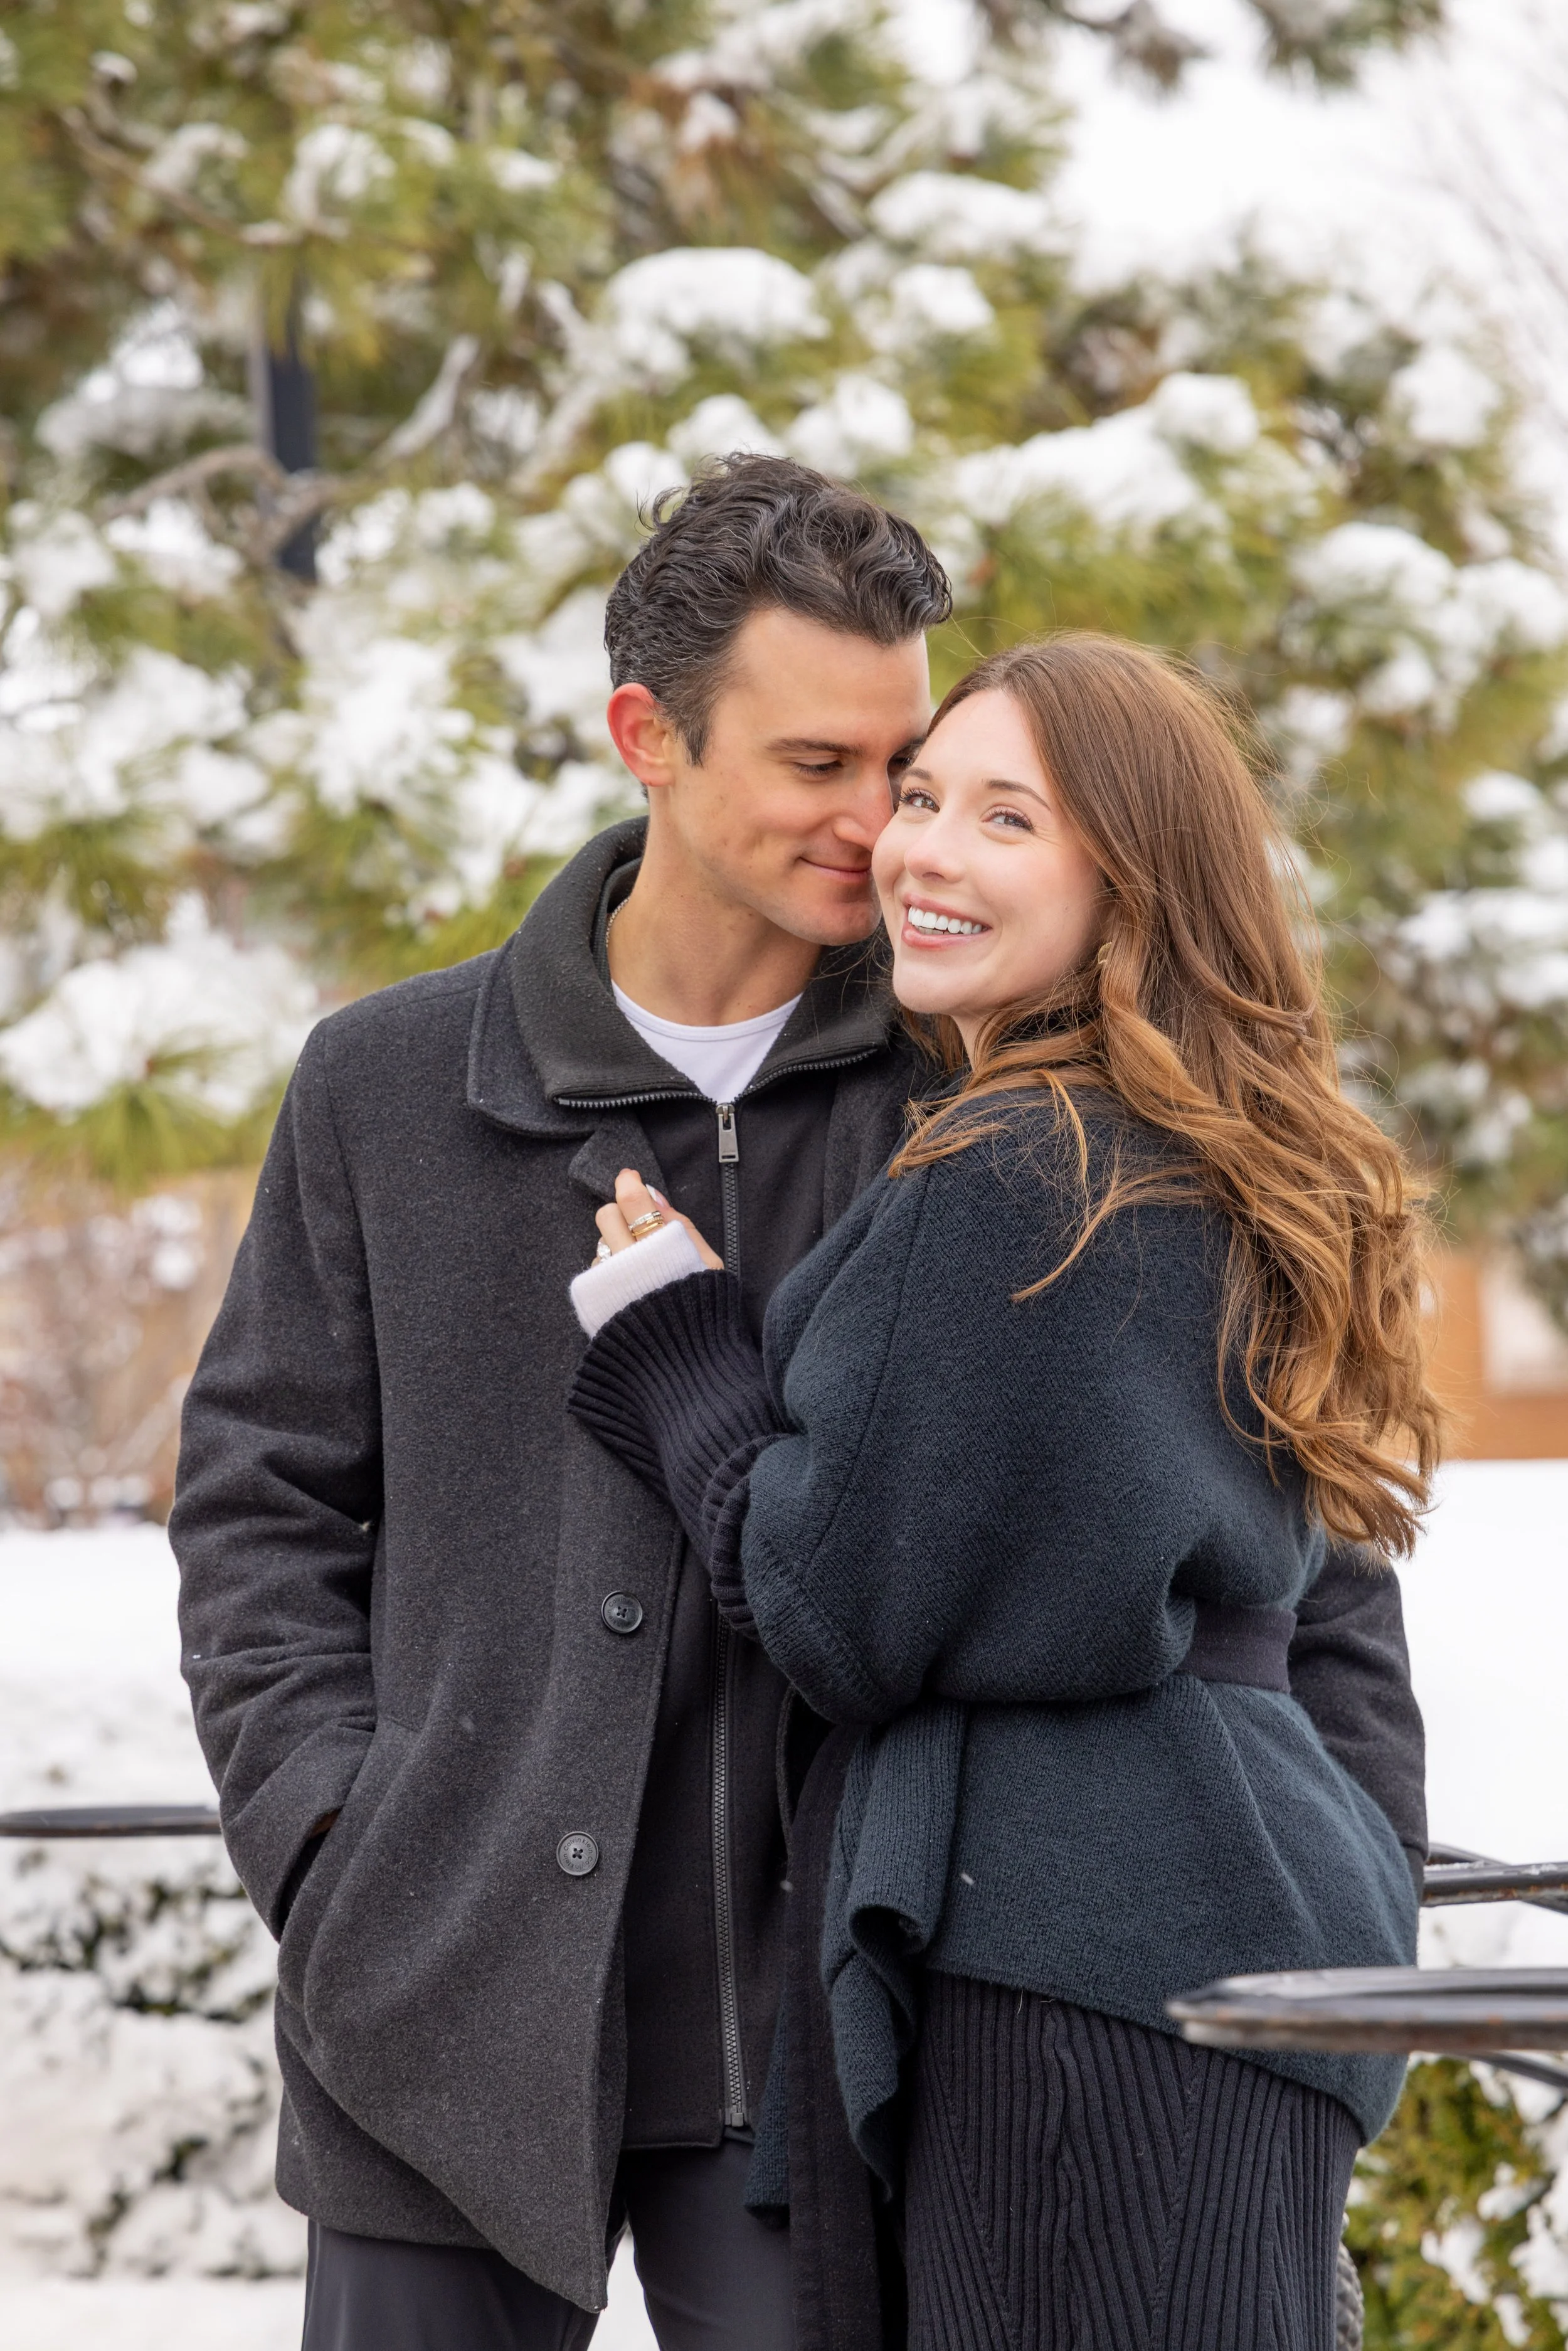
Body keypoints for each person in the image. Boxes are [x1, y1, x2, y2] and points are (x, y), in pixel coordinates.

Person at [170, 460, 1426, 2351]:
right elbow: (262, 1507)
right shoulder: (386, 1085)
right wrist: (337, 1854)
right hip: (440, 2008)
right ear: (644, 739)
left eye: (906, 763)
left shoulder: (994, 1090)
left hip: (841, 2044)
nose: (882, 826)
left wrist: (1337, 1922)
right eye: (822, 766)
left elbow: (1285, 1553)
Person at [566, 632, 1440, 2351]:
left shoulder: (1011, 1168)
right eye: (916, 797)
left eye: (1003, 818)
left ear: (1127, 877)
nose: (919, 849)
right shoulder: (1218, 1149)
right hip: (1241, 1928)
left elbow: (838, 1607)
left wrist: (678, 1348)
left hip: (1069, 1965)